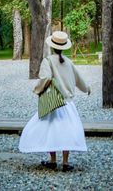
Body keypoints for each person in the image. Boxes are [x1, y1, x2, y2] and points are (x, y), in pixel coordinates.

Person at [19, 30, 91, 172]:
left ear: (52, 46)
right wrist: (87, 88)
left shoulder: (48, 61)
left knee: (51, 130)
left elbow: (45, 78)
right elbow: (78, 79)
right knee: (67, 131)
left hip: (54, 101)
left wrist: (37, 89)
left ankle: (52, 160)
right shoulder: (69, 62)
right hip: (68, 103)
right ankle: (65, 162)